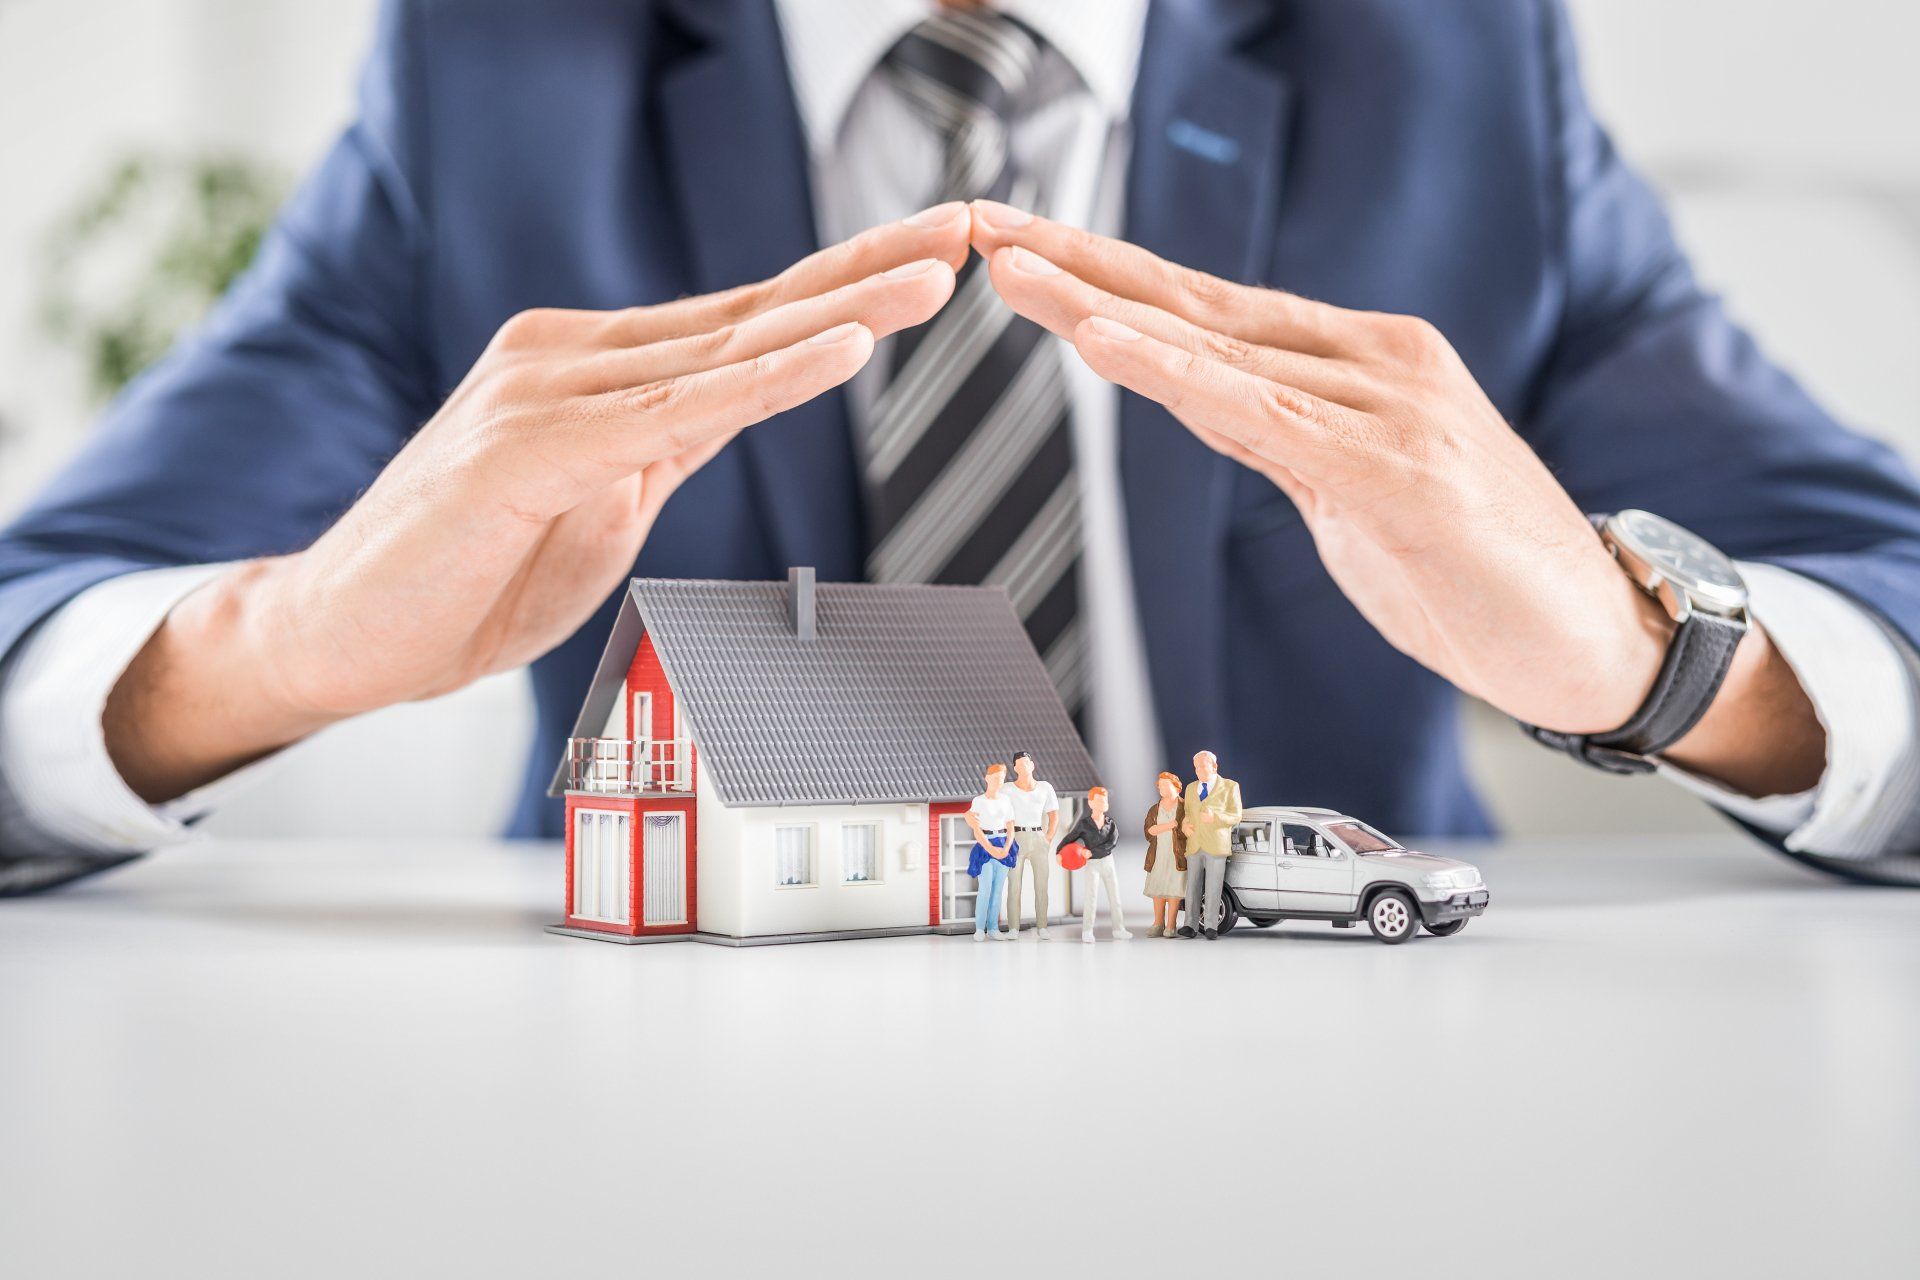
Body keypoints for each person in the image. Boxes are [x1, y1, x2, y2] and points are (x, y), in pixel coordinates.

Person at [6, 0, 1920, 895]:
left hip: (1351, 1078)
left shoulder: (1458, 60)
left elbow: (1884, 597)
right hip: (644, 1083)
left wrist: (1647, 658)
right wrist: (279, 648)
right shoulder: (489, 65)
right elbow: (43, 611)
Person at [1178, 751, 1241, 940]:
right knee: (1192, 886)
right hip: (1195, 844)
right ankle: (1190, 924)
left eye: (1203, 766)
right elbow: (1187, 812)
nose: (1199, 770)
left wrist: (1215, 818)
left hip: (1216, 844)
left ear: (1214, 767)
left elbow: (1236, 815)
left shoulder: (1230, 787)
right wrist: (1184, 825)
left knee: (1214, 887)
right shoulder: (1190, 788)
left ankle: (1212, 926)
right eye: (1196, 767)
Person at [1056, 784, 1129, 943]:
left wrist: (1092, 852)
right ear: (1090, 803)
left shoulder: (1110, 823)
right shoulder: (1084, 824)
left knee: (1115, 896)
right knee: (1091, 897)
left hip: (1108, 861)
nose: (1102, 804)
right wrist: (1059, 851)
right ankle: (1087, 931)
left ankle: (1119, 928)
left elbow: (1113, 842)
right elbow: (1070, 837)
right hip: (1092, 865)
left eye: (1105, 801)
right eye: (1099, 801)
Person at [1000, 749, 1060, 938]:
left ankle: (1042, 926)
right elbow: (1001, 814)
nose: (1025, 766)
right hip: (1016, 839)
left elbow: (1054, 815)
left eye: (1028, 762)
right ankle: (1013, 928)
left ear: (1033, 765)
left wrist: (1048, 838)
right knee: (1014, 885)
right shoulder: (1007, 789)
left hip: (1038, 837)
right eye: (1021, 763)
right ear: (1015, 767)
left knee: (1041, 885)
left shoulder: (1045, 788)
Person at [964, 763, 1018, 941]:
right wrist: (990, 848)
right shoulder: (978, 801)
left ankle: (993, 927)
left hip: (1003, 844)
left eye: (1002, 779)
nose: (999, 782)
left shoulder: (1006, 800)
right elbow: (976, 829)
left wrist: (1006, 847)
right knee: (985, 889)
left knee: (997, 890)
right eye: (995, 778)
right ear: (987, 779)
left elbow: (1010, 826)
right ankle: (980, 928)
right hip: (986, 847)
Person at [1142, 772, 1187, 938]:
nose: (1161, 788)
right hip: (1158, 855)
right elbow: (1149, 832)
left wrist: (1167, 827)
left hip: (1177, 856)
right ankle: (1158, 922)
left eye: (1165, 785)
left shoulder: (1185, 807)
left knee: (1173, 891)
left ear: (1176, 786)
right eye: (1160, 785)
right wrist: (1170, 825)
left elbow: (1187, 830)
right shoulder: (1155, 809)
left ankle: (1171, 924)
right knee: (1159, 891)